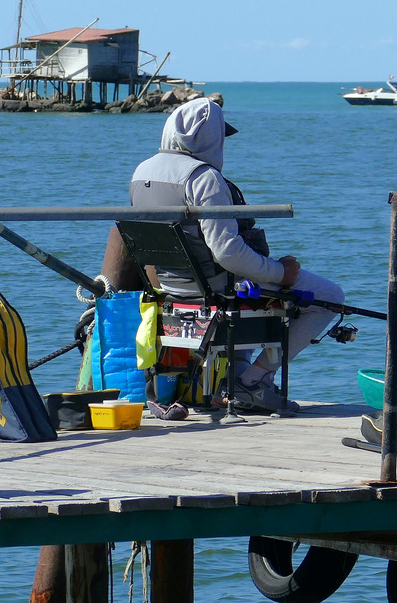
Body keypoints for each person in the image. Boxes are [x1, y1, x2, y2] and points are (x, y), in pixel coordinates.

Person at [129, 98, 344, 411]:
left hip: (172, 286)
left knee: (259, 289)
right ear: (209, 137)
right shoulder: (203, 178)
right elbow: (228, 253)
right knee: (330, 297)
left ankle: (238, 379)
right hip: (215, 286)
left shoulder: (141, 172)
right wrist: (279, 272)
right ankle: (252, 381)